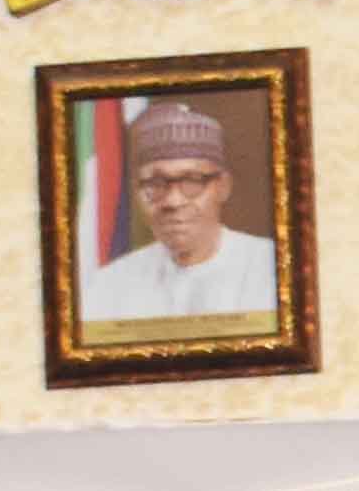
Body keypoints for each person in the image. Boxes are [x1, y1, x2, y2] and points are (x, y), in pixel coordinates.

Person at [89, 97, 283, 324]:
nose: (172, 201)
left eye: (192, 181)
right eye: (156, 183)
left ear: (222, 187)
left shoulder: (271, 268)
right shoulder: (109, 284)